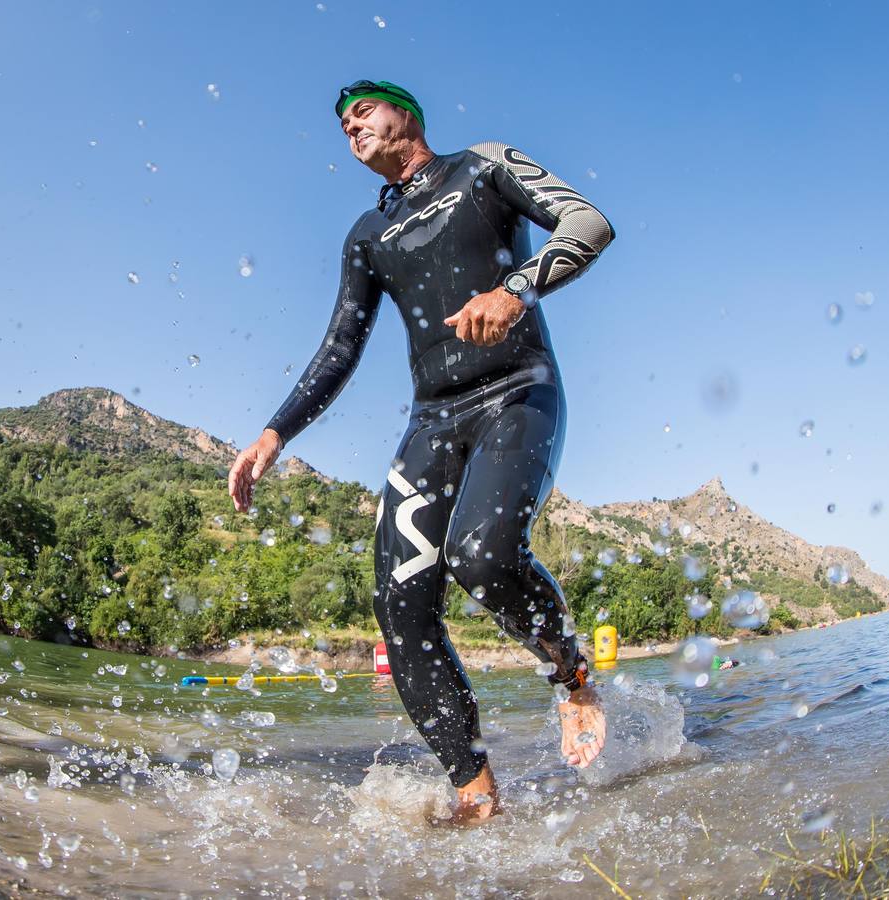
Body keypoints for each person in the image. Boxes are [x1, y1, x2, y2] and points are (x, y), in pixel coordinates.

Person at [228, 80, 615, 823]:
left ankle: (570, 674)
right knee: (400, 605)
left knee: (481, 555)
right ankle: (475, 795)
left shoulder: (483, 165)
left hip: (516, 391)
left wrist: (517, 289)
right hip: (434, 420)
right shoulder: (366, 238)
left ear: (406, 112)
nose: (350, 125)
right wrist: (275, 432)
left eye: (363, 110)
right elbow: (341, 345)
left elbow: (589, 222)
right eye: (343, 125)